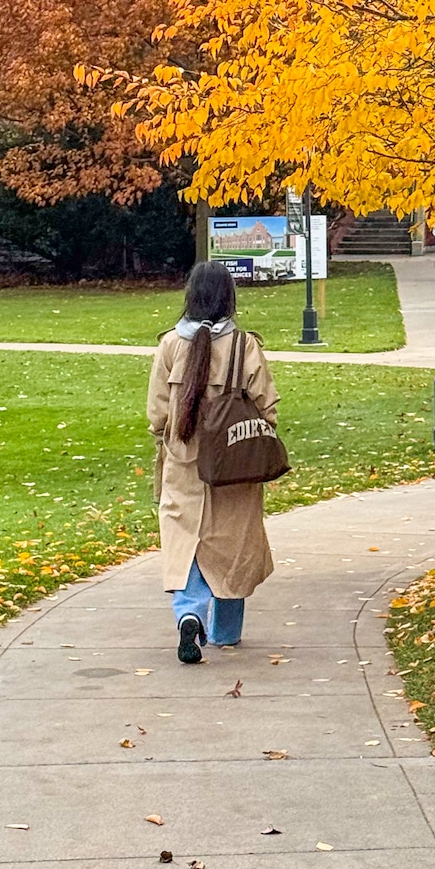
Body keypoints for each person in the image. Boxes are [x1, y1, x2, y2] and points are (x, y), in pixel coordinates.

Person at [147, 261, 279, 664]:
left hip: (184, 462)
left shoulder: (170, 344)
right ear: (229, 298)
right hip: (235, 466)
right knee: (233, 544)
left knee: (186, 539)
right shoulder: (245, 346)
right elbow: (267, 407)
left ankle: (189, 614)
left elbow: (157, 413)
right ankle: (225, 632)